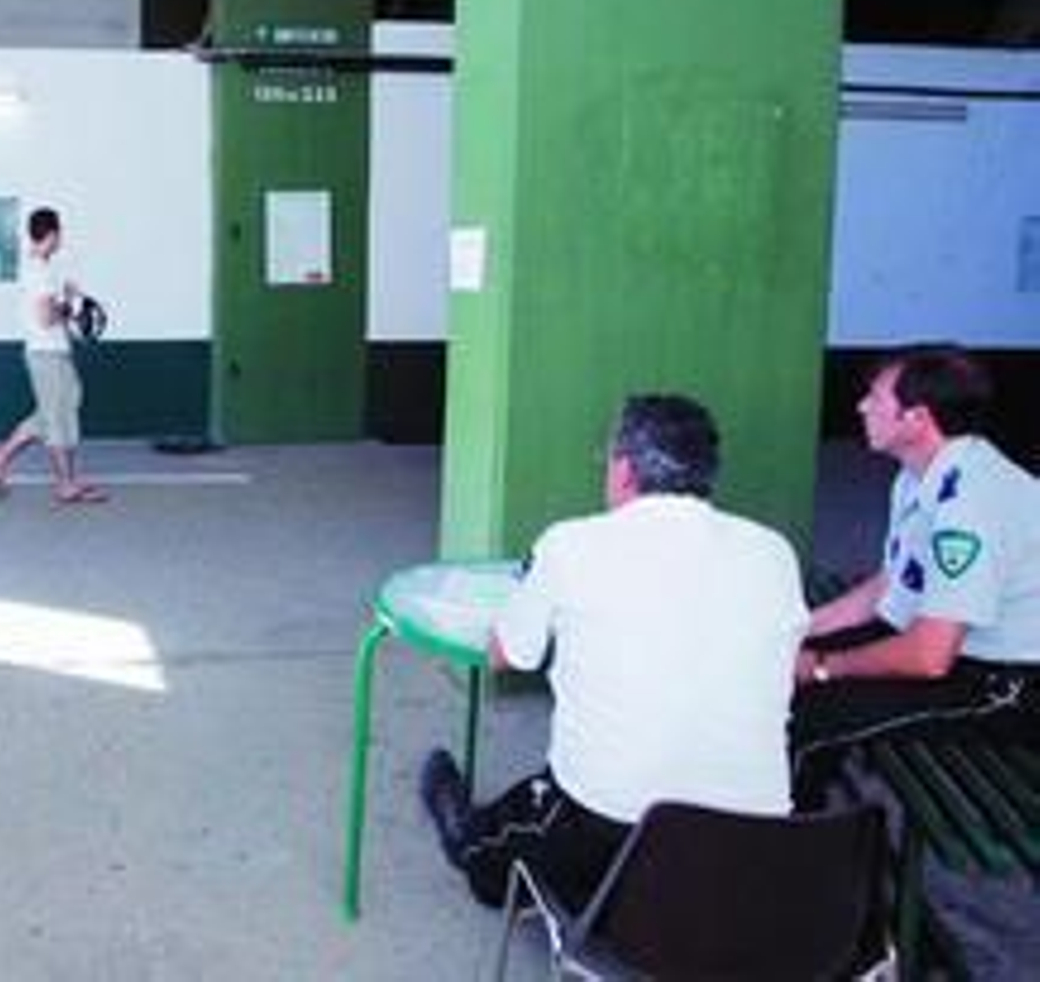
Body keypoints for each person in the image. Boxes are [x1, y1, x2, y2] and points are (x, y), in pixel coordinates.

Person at [420, 394, 807, 911]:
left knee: (482, 856)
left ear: (623, 470)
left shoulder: (570, 545)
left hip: (607, 831)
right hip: (753, 846)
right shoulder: (773, 553)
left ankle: (458, 820)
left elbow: (504, 654)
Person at [790, 345, 1040, 809]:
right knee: (783, 673)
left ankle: (789, 839)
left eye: (874, 398)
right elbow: (890, 586)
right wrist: (794, 631)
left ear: (916, 419)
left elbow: (928, 657)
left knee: (813, 717)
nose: (861, 407)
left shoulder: (971, 503)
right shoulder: (922, 474)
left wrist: (822, 667)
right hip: (951, 644)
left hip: (1007, 682)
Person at [0, 207, 106, 505]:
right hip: (45, 352)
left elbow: (50, 311)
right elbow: (46, 317)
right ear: (52, 234)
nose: (61, 239)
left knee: (64, 407)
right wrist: (71, 305)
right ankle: (65, 485)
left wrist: (67, 298)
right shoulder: (38, 271)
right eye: (59, 234)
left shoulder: (42, 269)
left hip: (54, 350)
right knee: (55, 417)